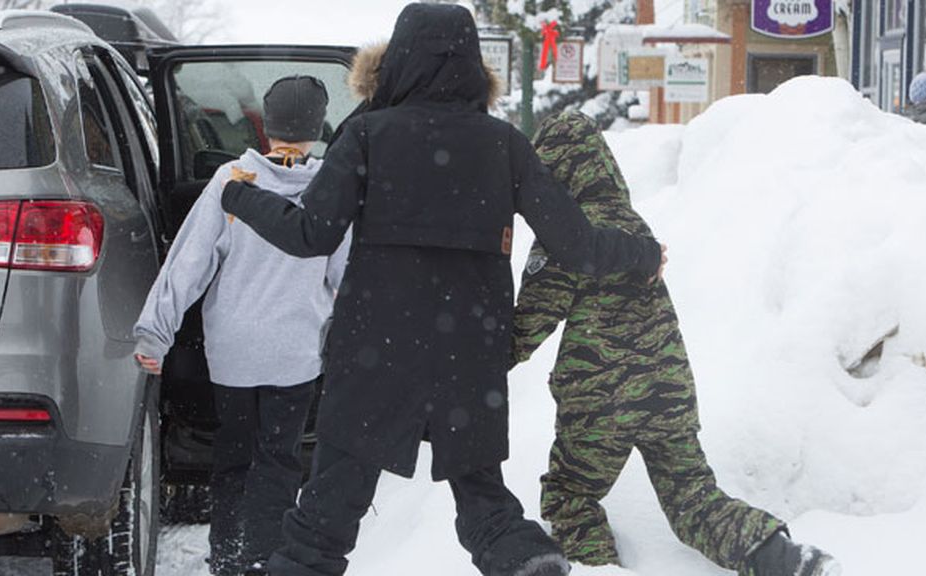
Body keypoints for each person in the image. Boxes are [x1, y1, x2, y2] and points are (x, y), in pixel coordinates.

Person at [220, 5, 665, 576]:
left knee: (325, 518)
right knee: (482, 497)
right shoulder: (502, 143)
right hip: (469, 352)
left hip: (375, 348)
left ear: (395, 61)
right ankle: (525, 558)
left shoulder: (366, 135)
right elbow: (575, 244)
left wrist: (241, 196)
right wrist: (643, 255)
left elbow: (310, 235)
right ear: (474, 65)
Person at [511, 110, 841, 576]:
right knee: (693, 499)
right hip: (668, 391)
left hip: (602, 398)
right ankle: (786, 560)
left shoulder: (566, 235)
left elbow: (527, 326)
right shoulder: (633, 223)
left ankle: (598, 569)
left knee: (570, 497)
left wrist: (467, 366)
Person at [133, 75, 350, 576]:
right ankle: (263, 558)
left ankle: (227, 556)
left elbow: (188, 263)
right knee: (279, 457)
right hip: (296, 349)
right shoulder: (331, 188)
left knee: (234, 455)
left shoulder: (232, 180)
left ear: (267, 126)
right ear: (317, 128)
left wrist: (156, 333)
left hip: (233, 350)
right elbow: (347, 275)